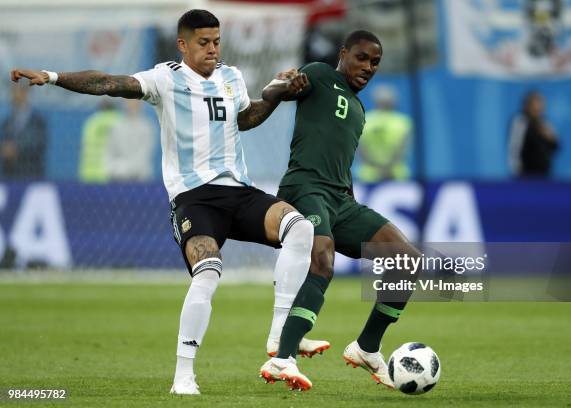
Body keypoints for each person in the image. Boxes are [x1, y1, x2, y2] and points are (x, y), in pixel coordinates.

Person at [11, 9, 325, 396]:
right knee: (208, 272)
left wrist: (276, 95)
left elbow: (244, 119)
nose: (212, 50)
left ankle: (278, 337)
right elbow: (109, 82)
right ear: (183, 44)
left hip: (238, 191)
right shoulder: (166, 78)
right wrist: (54, 77)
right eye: (203, 43)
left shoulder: (232, 77)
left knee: (301, 228)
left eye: (216, 41)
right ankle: (184, 376)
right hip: (194, 199)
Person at [259, 30, 421, 391]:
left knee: (407, 260)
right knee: (323, 258)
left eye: (375, 62)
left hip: (340, 199)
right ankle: (282, 358)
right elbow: (280, 91)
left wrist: (347, 198)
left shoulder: (360, 109)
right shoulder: (317, 74)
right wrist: (284, 84)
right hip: (304, 187)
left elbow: (340, 160)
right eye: (362, 58)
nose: (368, 67)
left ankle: (367, 347)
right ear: (344, 53)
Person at [356, 84, 413, 182]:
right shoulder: (403, 122)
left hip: (368, 175)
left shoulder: (363, 120)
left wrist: (375, 167)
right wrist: (387, 169)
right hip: (396, 175)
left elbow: (358, 149)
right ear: (393, 101)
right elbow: (402, 150)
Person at [0, 83, 47, 179]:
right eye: (12, 92)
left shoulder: (37, 121)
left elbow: (38, 143)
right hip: (11, 176)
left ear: (25, 93)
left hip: (31, 175)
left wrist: (16, 149)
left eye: (16, 91)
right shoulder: (7, 123)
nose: (13, 96)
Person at [508, 91, 559, 178]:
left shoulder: (545, 123)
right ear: (527, 105)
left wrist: (550, 137)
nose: (539, 107)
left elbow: (556, 145)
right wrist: (516, 169)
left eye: (541, 104)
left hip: (544, 173)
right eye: (535, 104)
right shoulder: (520, 122)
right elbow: (514, 147)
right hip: (525, 174)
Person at [106, 99, 156, 181]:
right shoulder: (116, 126)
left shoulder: (147, 127)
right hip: (117, 179)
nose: (132, 104)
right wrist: (114, 169)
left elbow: (144, 155)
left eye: (135, 101)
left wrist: (125, 169)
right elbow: (109, 152)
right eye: (129, 101)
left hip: (141, 179)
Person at [79, 99, 121, 183]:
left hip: (89, 172)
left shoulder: (92, 121)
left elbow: (84, 146)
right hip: (112, 173)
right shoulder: (119, 120)